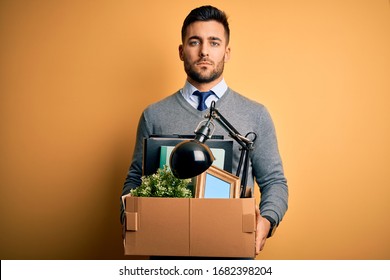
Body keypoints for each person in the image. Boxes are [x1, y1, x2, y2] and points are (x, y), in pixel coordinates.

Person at [121, 5, 288, 256]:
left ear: (227, 52)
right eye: (194, 42)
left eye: (214, 42)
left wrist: (265, 222)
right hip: (166, 256)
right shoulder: (153, 115)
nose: (204, 52)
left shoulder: (256, 114)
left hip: (231, 256)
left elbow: (274, 181)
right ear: (181, 51)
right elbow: (135, 179)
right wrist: (130, 214)